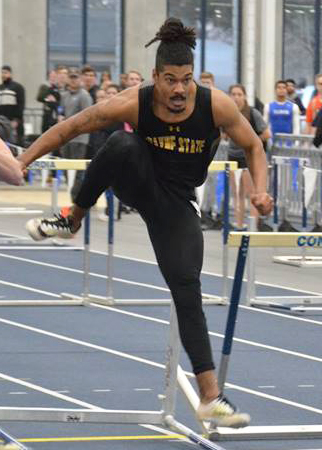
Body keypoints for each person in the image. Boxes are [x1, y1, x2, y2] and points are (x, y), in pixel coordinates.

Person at [19, 18, 272, 428]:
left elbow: (254, 146)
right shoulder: (133, 101)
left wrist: (260, 189)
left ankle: (211, 398)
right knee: (119, 142)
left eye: (186, 80)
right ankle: (73, 217)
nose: (178, 90)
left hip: (176, 205)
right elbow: (70, 127)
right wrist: (22, 161)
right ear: (155, 77)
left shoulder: (216, 105)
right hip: (139, 181)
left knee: (187, 288)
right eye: (170, 80)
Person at [227, 84, 271, 231]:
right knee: (237, 193)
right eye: (233, 94)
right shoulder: (227, 113)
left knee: (251, 193)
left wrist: (250, 141)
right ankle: (239, 225)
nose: (236, 97)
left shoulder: (253, 113)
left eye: (239, 94)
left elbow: (266, 134)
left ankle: (252, 226)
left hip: (248, 158)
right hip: (232, 156)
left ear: (244, 96)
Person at [59, 67, 93, 201]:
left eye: (76, 77)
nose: (73, 80)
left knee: (78, 169)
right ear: (68, 79)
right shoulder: (64, 95)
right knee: (67, 168)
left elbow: (87, 116)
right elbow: (61, 111)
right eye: (71, 77)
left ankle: (76, 198)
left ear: (80, 79)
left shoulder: (84, 95)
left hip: (80, 137)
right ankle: (71, 195)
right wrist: (60, 117)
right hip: (65, 137)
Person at [0, 65, 25, 146]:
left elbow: (21, 104)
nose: (3, 75)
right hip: (2, 121)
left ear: (10, 74)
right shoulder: (0, 88)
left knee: (15, 142)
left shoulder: (17, 87)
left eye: (5, 73)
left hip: (13, 121)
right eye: (2, 73)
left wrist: (16, 119)